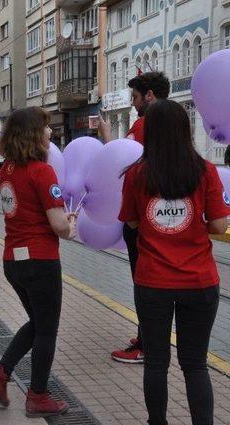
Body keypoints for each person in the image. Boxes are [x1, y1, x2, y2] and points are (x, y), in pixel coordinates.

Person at [119, 99, 228, 425]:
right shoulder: (205, 171)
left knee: (155, 362)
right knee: (194, 364)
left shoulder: (137, 174)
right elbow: (220, 226)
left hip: (153, 282)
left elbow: (133, 223)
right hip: (199, 281)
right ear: (186, 131)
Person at [0, 107, 76, 418]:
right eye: (46, 128)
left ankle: (1, 375)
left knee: (37, 323)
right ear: (35, 133)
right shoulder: (42, 171)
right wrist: (70, 225)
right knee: (47, 329)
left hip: (14, 259)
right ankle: (37, 395)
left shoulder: (6, 169)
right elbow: (59, 226)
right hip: (40, 260)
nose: (51, 133)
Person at [101, 72, 171, 364]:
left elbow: (126, 164)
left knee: (143, 282)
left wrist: (107, 140)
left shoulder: (145, 125)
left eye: (135, 98)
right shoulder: (173, 126)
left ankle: (146, 343)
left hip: (141, 217)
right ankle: (148, 335)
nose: (134, 104)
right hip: (160, 215)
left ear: (150, 95)